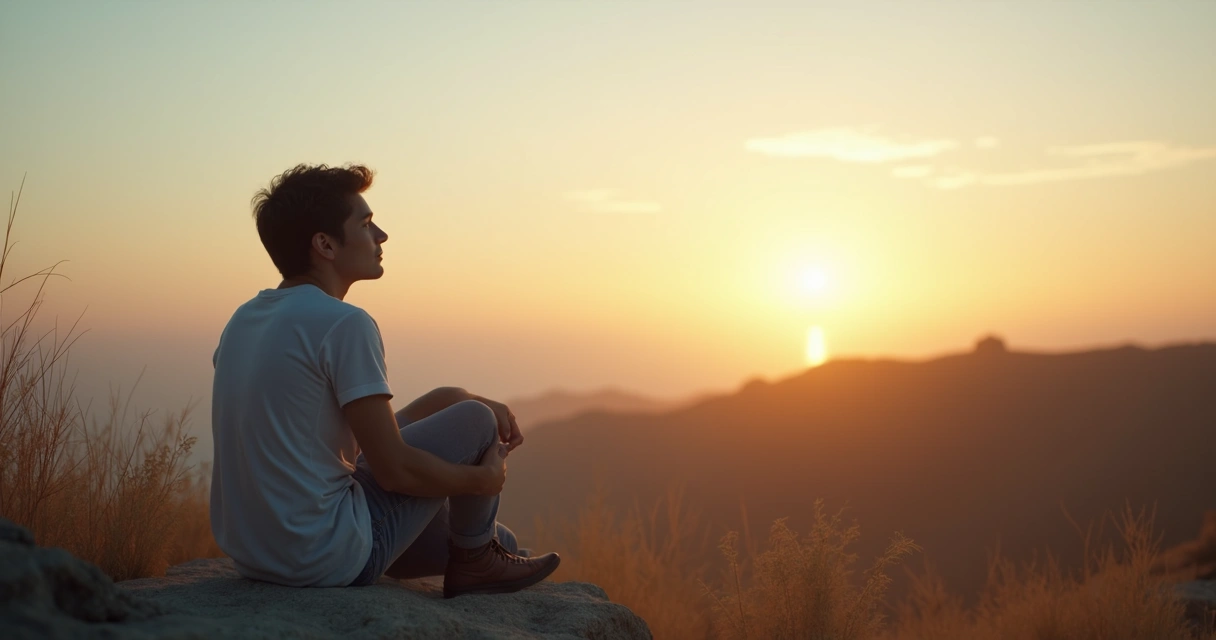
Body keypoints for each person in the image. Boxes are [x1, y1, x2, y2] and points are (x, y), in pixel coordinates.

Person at [209, 163, 560, 596]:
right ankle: (476, 563)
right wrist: (480, 481)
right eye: (367, 223)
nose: (381, 236)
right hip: (326, 553)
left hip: (258, 553)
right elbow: (391, 469)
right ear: (325, 245)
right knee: (476, 422)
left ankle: (481, 551)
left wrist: (457, 396)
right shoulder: (343, 324)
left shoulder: (244, 319)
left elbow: (352, 443)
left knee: (501, 538)